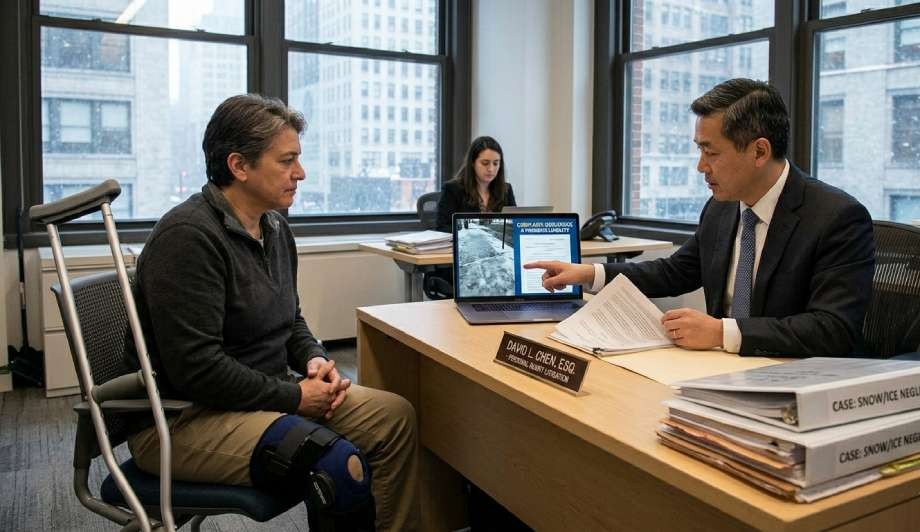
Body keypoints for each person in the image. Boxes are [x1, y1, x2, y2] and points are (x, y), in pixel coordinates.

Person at [125, 94, 418, 531]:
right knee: (336, 463)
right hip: (186, 418)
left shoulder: (275, 226)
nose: (300, 173)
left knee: (395, 418)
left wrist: (314, 358)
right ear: (239, 166)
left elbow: (290, 318)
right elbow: (197, 370)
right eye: (287, 161)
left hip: (263, 397)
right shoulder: (187, 238)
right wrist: (296, 397)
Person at [525, 78, 874, 357]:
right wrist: (590, 273)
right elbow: (677, 271)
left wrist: (722, 332)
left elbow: (834, 328)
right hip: (717, 369)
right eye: (699, 150)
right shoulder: (722, 206)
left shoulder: (836, 218)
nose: (700, 166)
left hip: (794, 382)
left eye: (712, 152)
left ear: (759, 151)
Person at [435, 135, 517, 232]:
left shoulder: (506, 189)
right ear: (472, 163)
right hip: (466, 244)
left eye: (495, 163)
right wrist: (478, 231)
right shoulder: (452, 189)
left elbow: (515, 223)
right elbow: (442, 228)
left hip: (498, 244)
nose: (491, 169)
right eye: (485, 163)